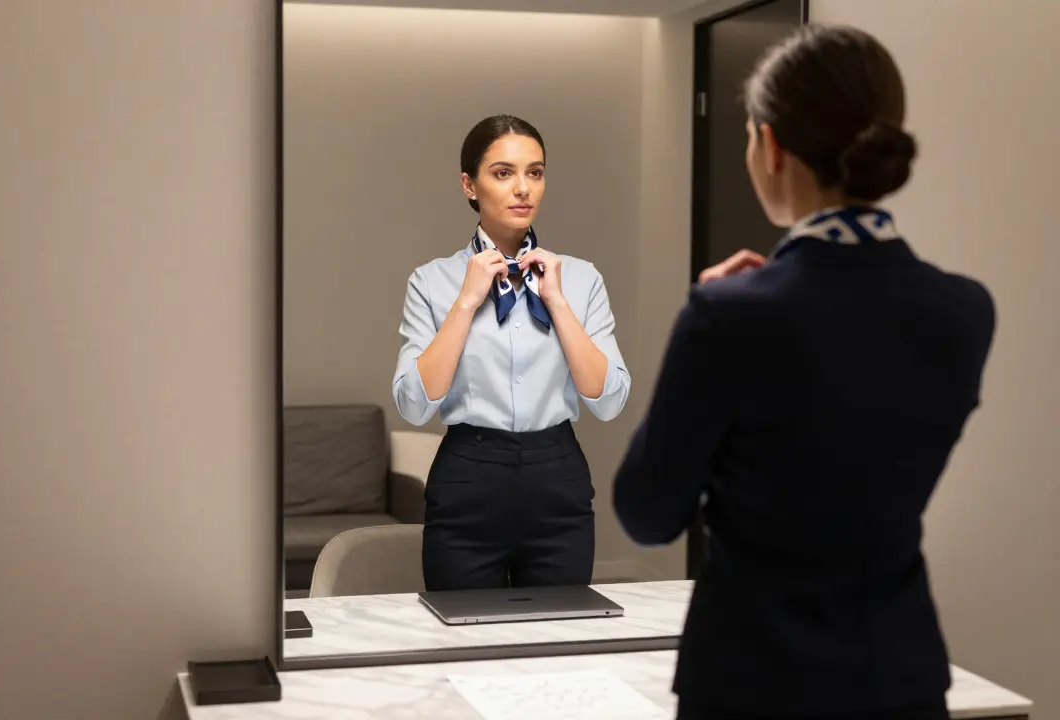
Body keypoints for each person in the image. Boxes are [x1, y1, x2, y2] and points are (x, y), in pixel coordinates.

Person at [613, 25, 994, 720]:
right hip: (899, 677)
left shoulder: (726, 316)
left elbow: (646, 513)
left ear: (771, 146)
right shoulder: (964, 311)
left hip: (752, 681)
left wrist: (702, 321)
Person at [392, 114, 631, 592]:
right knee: (464, 642)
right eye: (503, 173)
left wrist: (558, 303)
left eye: (535, 172)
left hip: (557, 476)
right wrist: (466, 301)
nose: (523, 188)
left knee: (556, 643)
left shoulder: (581, 279)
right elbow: (415, 406)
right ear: (470, 185)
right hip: (467, 477)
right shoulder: (432, 281)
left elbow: (608, 401)